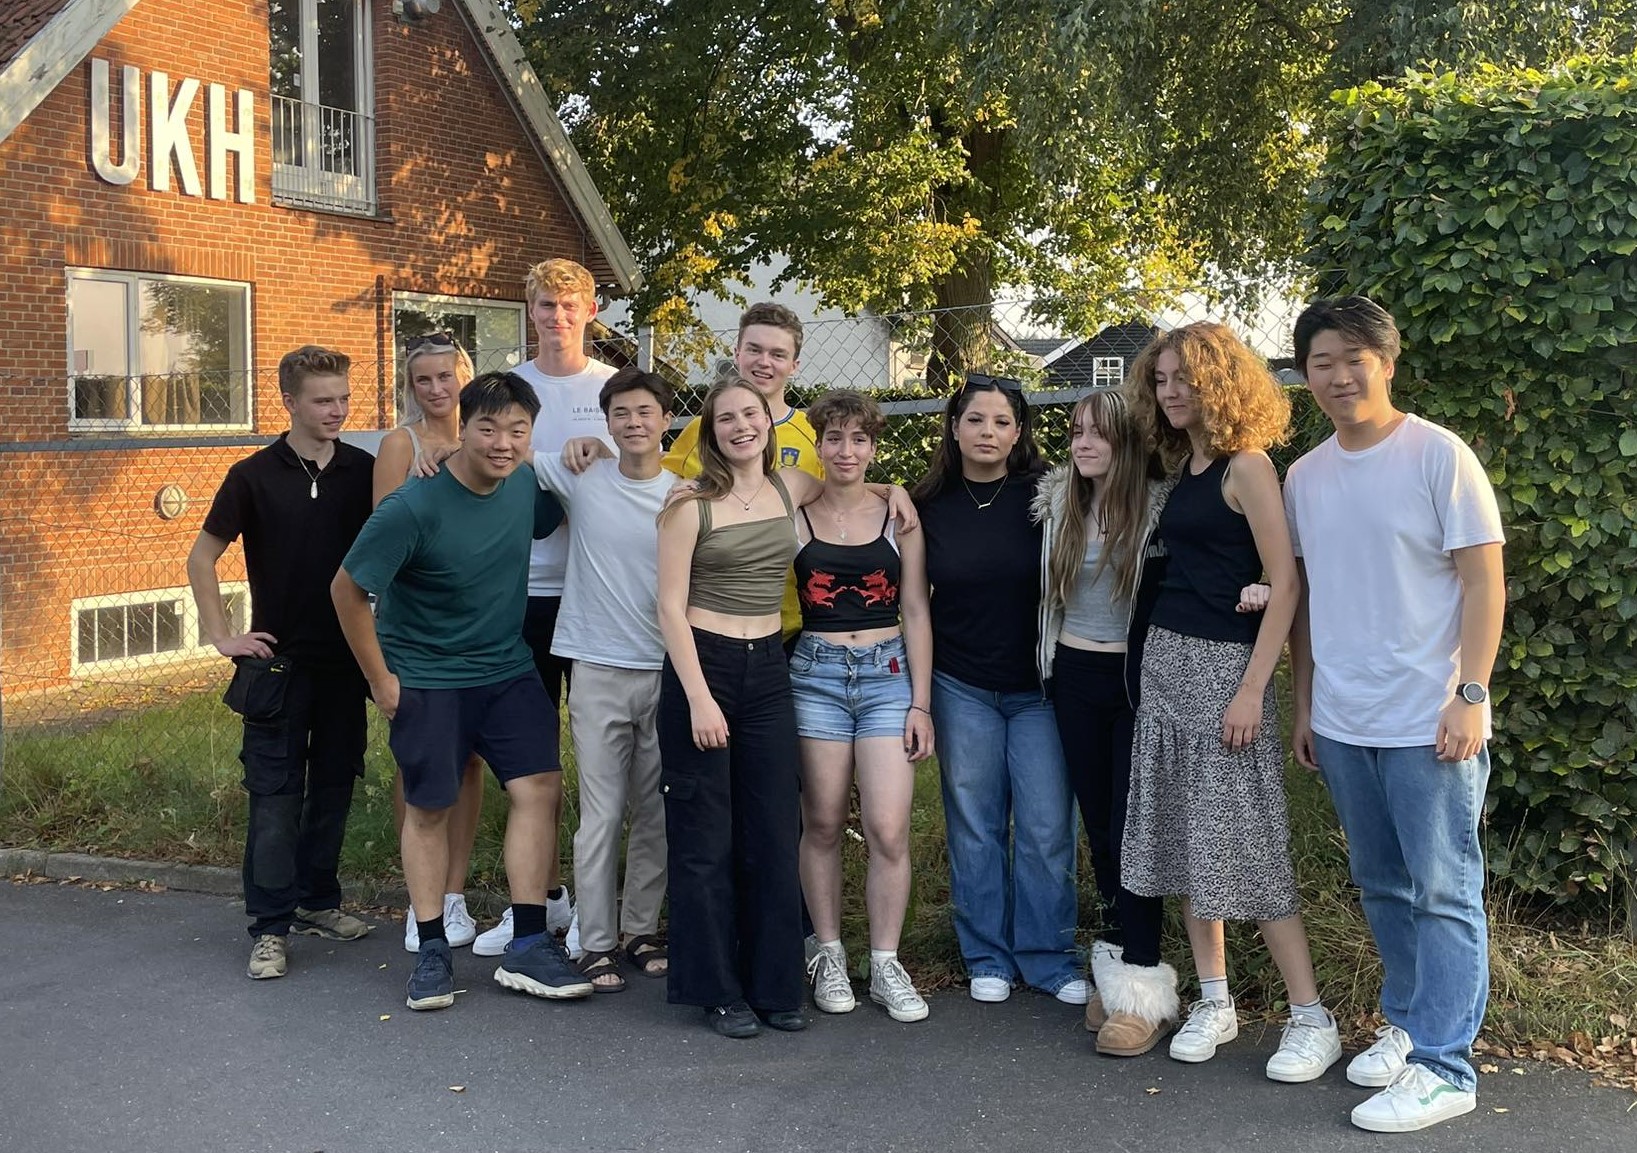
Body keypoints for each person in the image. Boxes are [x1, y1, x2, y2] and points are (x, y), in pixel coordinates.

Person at [1286, 297, 1505, 1132]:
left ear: (1386, 360)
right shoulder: (1304, 476)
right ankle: (1410, 1027)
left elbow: (1482, 580)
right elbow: (1306, 601)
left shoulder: (1437, 455)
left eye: (1354, 358)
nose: (1339, 376)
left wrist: (1469, 692)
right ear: (1305, 375)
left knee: (1443, 890)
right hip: (1344, 720)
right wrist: (1305, 703)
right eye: (1321, 362)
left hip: (1429, 718)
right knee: (1381, 883)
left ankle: (1446, 1067)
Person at [1120, 322, 1340, 1082]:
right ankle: (1215, 1001)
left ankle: (1310, 1015)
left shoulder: (1247, 465)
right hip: (1166, 665)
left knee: (1248, 843)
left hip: (1224, 674)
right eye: (1160, 380)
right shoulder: (1184, 465)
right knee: (1188, 839)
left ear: (1219, 381)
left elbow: (1287, 581)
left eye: (1183, 377)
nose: (1169, 391)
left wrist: (1252, 688)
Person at [332, 371, 591, 1011]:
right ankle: (431, 950)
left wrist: (595, 451)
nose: (503, 443)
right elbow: (347, 591)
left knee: (539, 788)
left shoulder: (523, 483)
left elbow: (552, 515)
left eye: (517, 431)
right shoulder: (413, 506)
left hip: (506, 668)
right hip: (428, 677)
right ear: (464, 427)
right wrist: (381, 679)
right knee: (429, 808)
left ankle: (528, 944)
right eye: (488, 429)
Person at [185, 345, 375, 980]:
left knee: (334, 786)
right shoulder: (252, 476)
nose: (337, 410)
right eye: (323, 400)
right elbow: (201, 557)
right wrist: (222, 636)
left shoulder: (364, 471)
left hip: (347, 664)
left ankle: (318, 901)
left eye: (344, 398)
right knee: (274, 797)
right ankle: (269, 928)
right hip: (277, 668)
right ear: (289, 401)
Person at [912, 372, 1086, 1007]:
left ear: (1019, 434)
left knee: (1046, 826)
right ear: (954, 428)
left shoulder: (1051, 495)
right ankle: (985, 954)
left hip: (1039, 688)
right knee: (975, 824)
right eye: (976, 419)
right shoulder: (924, 504)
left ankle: (1049, 957)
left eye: (1003, 422)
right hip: (960, 684)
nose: (988, 432)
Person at [475, 258, 616, 956]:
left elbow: (642, 471)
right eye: (544, 305)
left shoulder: (614, 388)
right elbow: (473, 460)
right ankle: (540, 899)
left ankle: (596, 906)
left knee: (598, 765)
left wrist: (600, 447)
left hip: (595, 596)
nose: (556, 316)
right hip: (520, 593)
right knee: (530, 762)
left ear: (590, 310)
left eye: (568, 304)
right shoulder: (506, 388)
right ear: (528, 310)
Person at [1034, 387, 1180, 1054]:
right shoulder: (1058, 503)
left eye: (1098, 433)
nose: (1083, 444)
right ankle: (1118, 962)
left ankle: (1143, 984)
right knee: (1098, 827)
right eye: (1076, 432)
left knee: (1132, 829)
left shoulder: (1159, 507)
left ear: (1126, 442)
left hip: (1136, 681)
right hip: (1073, 675)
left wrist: (1258, 584)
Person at [791, 389, 935, 1024]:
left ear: (874, 446)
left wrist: (921, 703)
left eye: (858, 439)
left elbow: (916, 610)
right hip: (815, 675)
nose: (845, 451)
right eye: (834, 438)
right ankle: (826, 952)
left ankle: (885, 961)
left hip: (887, 677)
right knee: (822, 821)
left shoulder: (898, 517)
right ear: (818, 445)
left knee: (887, 826)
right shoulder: (796, 510)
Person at [533, 367, 678, 992]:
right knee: (601, 813)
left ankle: (640, 930)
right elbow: (501, 450)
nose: (634, 423)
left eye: (645, 411)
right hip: (595, 666)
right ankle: (594, 941)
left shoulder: (685, 493)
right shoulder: (582, 473)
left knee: (655, 812)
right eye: (620, 413)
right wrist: (429, 448)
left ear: (666, 419)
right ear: (607, 422)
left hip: (666, 668)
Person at [373, 333, 483, 954]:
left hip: (480, 627)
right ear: (410, 387)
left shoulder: (488, 438)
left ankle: (456, 892)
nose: (438, 389)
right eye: (424, 379)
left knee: (469, 761)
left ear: (465, 375)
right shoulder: (401, 445)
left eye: (447, 376)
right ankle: (423, 903)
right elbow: (383, 539)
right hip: (417, 631)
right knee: (421, 762)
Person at [661, 303, 823, 644]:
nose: (764, 362)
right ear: (737, 354)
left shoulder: (813, 434)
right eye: (754, 350)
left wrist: (889, 490)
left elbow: (840, 494)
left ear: (794, 365)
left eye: (778, 354)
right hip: (716, 623)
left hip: (795, 619)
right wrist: (601, 449)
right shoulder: (700, 432)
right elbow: (650, 478)